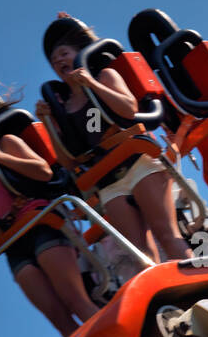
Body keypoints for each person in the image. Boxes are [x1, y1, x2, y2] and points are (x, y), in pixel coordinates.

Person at [35, 13, 192, 262]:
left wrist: (92, 85)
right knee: (139, 253)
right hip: (108, 179)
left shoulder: (105, 76)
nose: (59, 61)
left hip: (137, 162)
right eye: (54, 60)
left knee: (166, 234)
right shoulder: (64, 108)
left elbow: (129, 109)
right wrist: (47, 122)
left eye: (63, 53)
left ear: (79, 52)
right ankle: (168, 299)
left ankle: (202, 286)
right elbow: (69, 160)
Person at [0, 89, 100, 337]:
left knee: (74, 300)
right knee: (58, 317)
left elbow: (43, 172)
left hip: (41, 223)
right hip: (14, 242)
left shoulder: (6, 142)